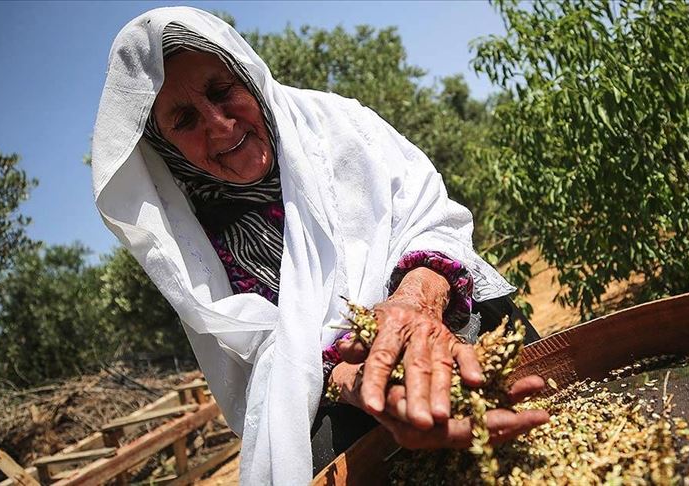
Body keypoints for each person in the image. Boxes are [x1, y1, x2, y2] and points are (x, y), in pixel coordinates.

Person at [92, 7, 548, 484]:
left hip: (442, 313)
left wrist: (415, 303)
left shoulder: (336, 128)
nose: (220, 125)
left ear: (247, 76)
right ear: (165, 146)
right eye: (185, 119)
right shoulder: (188, 244)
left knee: (492, 340)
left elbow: (428, 216)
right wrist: (351, 378)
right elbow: (266, 359)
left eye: (222, 91)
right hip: (338, 395)